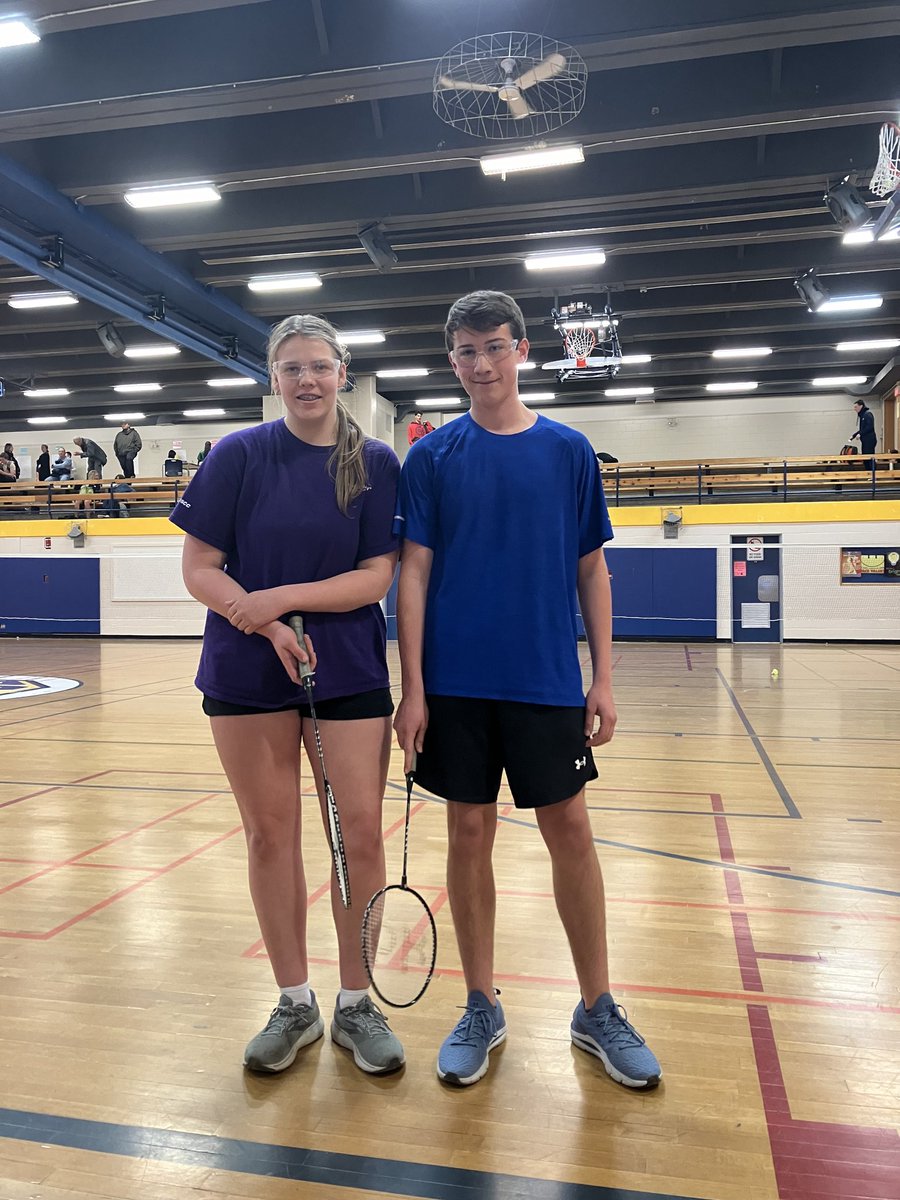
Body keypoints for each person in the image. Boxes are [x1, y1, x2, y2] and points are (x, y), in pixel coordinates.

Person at [393, 290, 661, 1090]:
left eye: (496, 348)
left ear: (523, 352)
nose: (483, 365)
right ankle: (480, 1003)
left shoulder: (570, 451)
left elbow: (592, 569)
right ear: (452, 362)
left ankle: (597, 1007)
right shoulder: (431, 457)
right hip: (455, 687)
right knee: (468, 838)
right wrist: (413, 689)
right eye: (467, 352)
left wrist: (604, 676)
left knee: (570, 834)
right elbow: (412, 574)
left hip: (546, 682)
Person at [171, 313, 405, 1078]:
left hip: (347, 672)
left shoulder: (373, 460)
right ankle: (295, 1000)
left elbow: (376, 577)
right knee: (270, 836)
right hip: (245, 675)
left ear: (343, 372)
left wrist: (276, 599)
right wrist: (261, 621)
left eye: (319, 366)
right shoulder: (238, 455)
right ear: (273, 379)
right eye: (291, 368)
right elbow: (199, 567)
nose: (306, 380)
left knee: (358, 837)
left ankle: (358, 1002)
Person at [850, 400, 877, 469]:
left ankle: (873, 475)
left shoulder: (867, 414)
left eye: (856, 407)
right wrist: (854, 435)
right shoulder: (862, 416)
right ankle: (868, 474)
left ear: (861, 406)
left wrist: (860, 434)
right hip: (865, 440)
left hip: (869, 440)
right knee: (865, 458)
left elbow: (870, 427)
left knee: (869, 458)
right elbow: (863, 429)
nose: (854, 409)